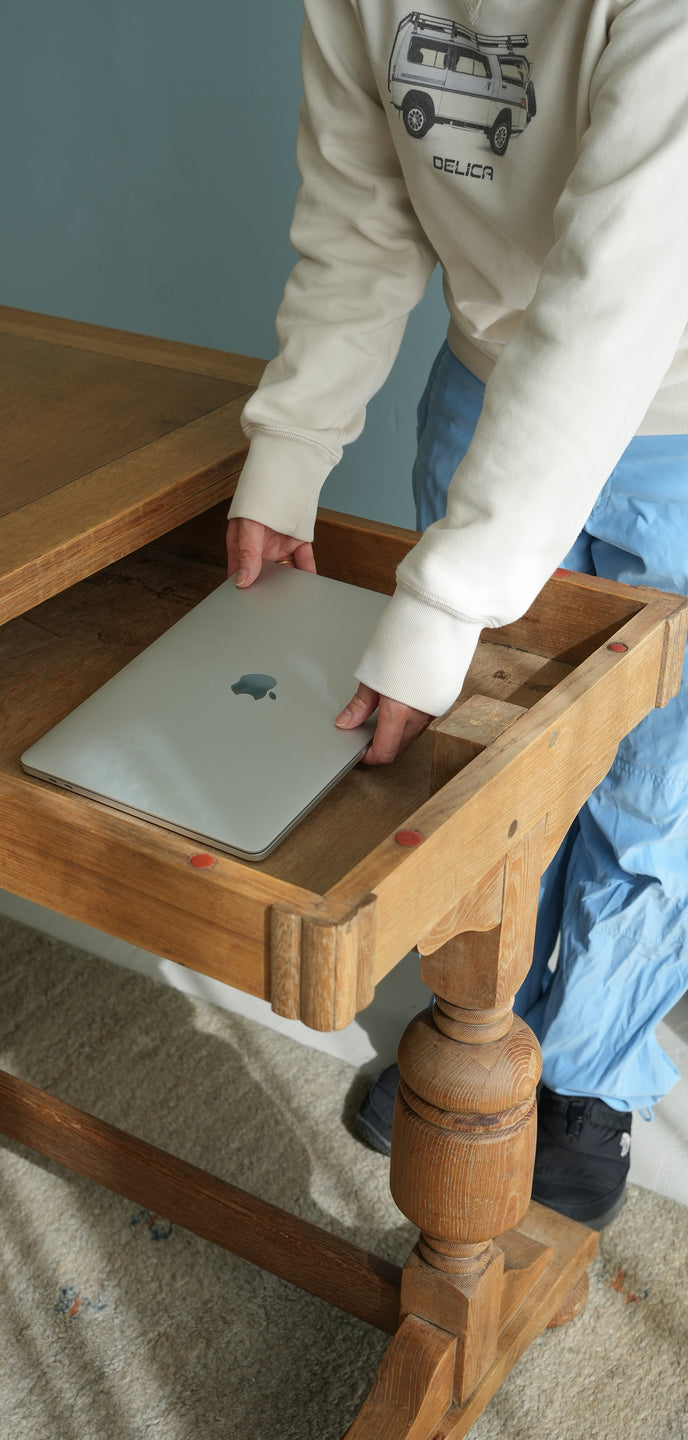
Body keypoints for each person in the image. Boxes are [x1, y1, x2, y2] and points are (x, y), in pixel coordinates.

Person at [226, 0, 688, 1229]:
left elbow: (614, 300)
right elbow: (359, 214)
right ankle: (488, 1025)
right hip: (483, 389)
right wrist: (291, 454)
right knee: (482, 765)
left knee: (651, 795)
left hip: (678, 413)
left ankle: (582, 1085)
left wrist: (442, 601)